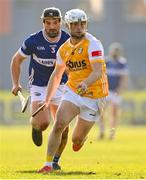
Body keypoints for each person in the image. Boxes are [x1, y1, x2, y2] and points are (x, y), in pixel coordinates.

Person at [38, 8, 109, 173]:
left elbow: (98, 71)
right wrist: (47, 99)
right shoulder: (63, 49)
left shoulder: (93, 43)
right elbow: (56, 75)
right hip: (73, 92)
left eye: (82, 23)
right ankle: (48, 165)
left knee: (76, 139)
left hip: (95, 95)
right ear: (68, 26)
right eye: (75, 24)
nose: (79, 27)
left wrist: (85, 83)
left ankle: (80, 140)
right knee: (59, 124)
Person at [10, 7, 70, 170]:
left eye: (55, 23)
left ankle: (55, 161)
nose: (51, 26)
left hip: (61, 85)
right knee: (43, 123)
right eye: (48, 23)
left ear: (60, 23)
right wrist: (16, 83)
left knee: (62, 128)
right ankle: (35, 126)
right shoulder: (33, 40)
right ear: (43, 23)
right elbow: (16, 60)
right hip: (39, 85)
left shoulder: (68, 40)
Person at [98, 42, 129, 140]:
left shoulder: (122, 63)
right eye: (114, 51)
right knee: (101, 112)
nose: (115, 53)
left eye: (117, 51)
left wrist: (120, 89)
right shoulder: (106, 62)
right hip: (106, 91)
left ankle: (112, 133)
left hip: (115, 91)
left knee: (114, 113)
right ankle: (102, 131)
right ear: (110, 51)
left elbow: (124, 77)